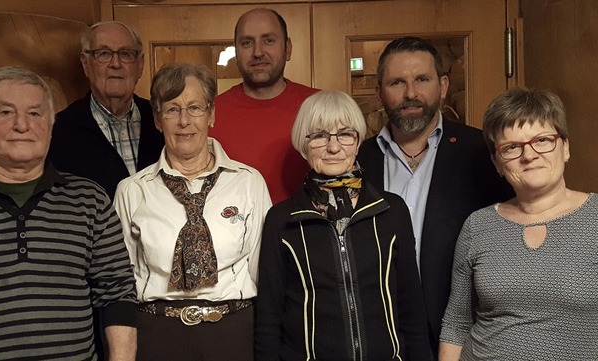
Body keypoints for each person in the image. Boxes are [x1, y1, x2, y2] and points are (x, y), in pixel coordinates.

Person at [0, 66, 137, 360]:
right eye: (6, 113)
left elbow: (117, 293)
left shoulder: (89, 199)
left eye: (35, 113)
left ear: (51, 123)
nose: (22, 125)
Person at [356, 36, 514, 358]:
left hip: (463, 337)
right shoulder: (357, 161)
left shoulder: (481, 154)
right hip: (380, 335)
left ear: (442, 85)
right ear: (379, 92)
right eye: (397, 82)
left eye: (422, 80)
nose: (411, 93)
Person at [256, 91, 432, 361]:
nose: (334, 147)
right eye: (319, 135)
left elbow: (412, 309)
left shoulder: (391, 211)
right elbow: (268, 321)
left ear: (358, 141)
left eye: (345, 134)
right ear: (303, 145)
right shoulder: (282, 221)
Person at [114, 63, 272, 361]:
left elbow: (263, 275)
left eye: (195, 108)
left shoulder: (248, 183)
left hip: (233, 333)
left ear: (211, 114)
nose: (184, 120)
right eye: (172, 109)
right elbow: (123, 282)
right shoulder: (132, 191)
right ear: (158, 120)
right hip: (157, 334)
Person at [439, 88, 598, 360]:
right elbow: (456, 325)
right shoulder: (478, 226)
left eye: (543, 140)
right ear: (497, 163)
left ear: (566, 147)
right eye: (512, 147)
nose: (529, 155)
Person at [210, 8, 318, 203]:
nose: (258, 52)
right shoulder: (209, 115)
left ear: (288, 49)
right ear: (236, 51)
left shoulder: (319, 107)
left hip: (306, 231)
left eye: (269, 40)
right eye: (247, 43)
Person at [49, 21, 164, 199]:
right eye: (104, 53)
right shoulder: (58, 131)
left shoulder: (164, 122)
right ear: (86, 64)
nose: (116, 63)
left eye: (126, 54)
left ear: (140, 65)